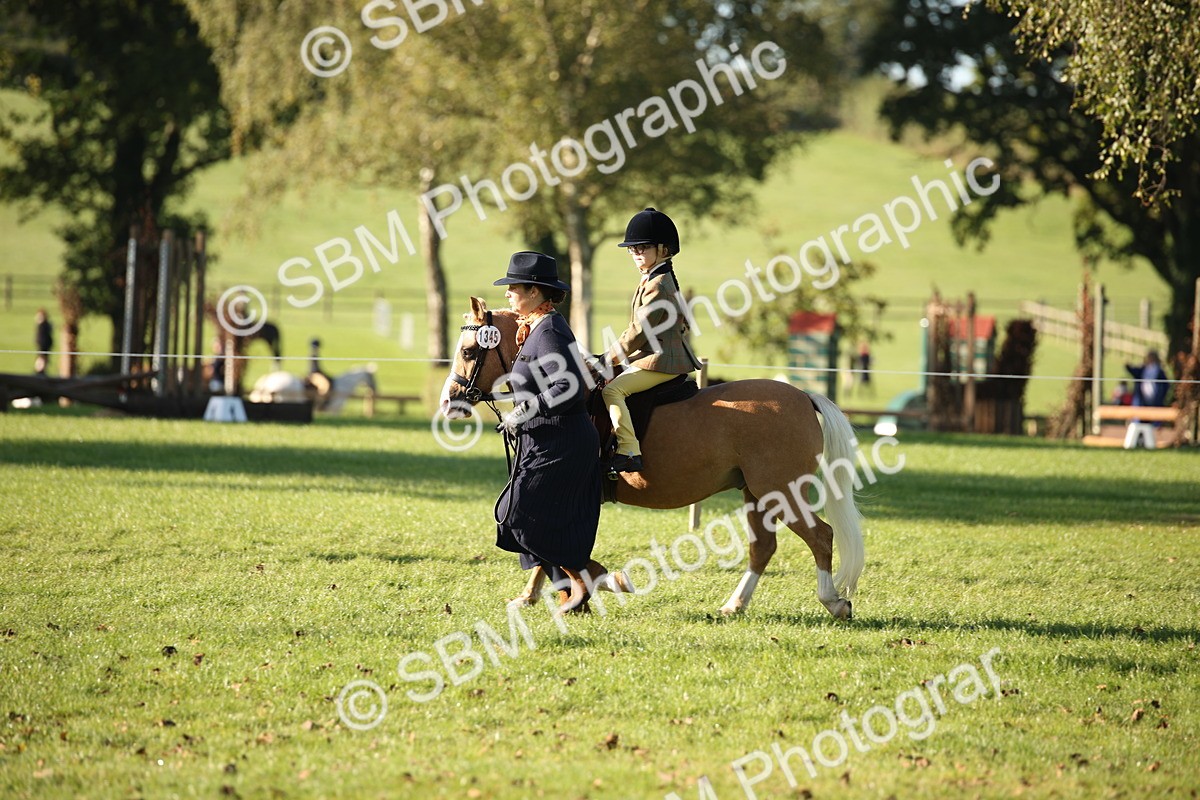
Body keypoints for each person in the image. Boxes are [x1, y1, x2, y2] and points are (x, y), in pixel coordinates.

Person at [492, 251, 610, 612]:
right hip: (543, 439)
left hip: (563, 441)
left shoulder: (550, 331)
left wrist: (525, 410)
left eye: (514, 287)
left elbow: (569, 387)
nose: (509, 293)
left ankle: (583, 576)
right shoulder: (534, 328)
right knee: (523, 516)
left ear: (534, 291)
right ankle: (577, 595)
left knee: (519, 515)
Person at [601, 208, 702, 473]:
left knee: (612, 390)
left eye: (642, 248)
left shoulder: (657, 285)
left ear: (663, 250)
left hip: (662, 361)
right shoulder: (654, 278)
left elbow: (637, 331)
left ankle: (629, 450)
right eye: (632, 249)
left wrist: (607, 358)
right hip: (652, 357)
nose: (635, 254)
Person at [34, 309, 53, 376]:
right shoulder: (45, 325)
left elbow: (42, 337)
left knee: (42, 358)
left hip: (43, 345)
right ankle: (40, 371)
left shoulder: (43, 325)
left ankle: (40, 371)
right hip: (43, 345)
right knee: (42, 358)